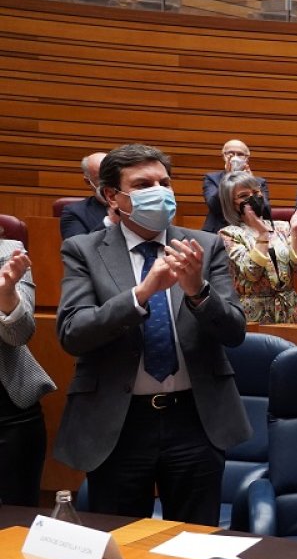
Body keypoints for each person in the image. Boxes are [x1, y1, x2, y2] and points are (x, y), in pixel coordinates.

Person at [56, 143, 250, 525]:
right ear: (113, 195)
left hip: (195, 419)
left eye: (164, 182)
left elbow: (234, 331)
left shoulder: (205, 246)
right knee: (123, 549)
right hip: (119, 423)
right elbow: (72, 333)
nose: (160, 191)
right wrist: (141, 294)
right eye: (144, 184)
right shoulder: (83, 250)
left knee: (196, 546)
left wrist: (197, 290)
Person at [0, 235, 56, 507]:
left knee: (15, 523)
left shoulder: (8, 252)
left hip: (8, 413)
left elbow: (20, 334)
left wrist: (6, 294)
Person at [217, 171, 297, 324]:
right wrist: (262, 235)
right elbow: (252, 272)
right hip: (255, 315)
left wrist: (296, 230)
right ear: (231, 204)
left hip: (290, 309)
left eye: (256, 192)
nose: (252, 198)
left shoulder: (282, 227)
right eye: (244, 196)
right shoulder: (229, 234)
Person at [202, 139, 269, 233]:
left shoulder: (259, 182)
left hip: (250, 231)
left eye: (240, 154)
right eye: (230, 154)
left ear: (247, 158)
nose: (235, 157)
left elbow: (265, 211)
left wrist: (252, 184)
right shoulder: (212, 178)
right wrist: (227, 178)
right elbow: (214, 206)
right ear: (224, 156)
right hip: (217, 231)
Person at [60, 151, 112, 240]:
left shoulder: (132, 204)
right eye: (101, 178)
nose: (109, 182)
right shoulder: (75, 213)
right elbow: (77, 250)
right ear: (88, 182)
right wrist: (110, 221)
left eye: (111, 176)